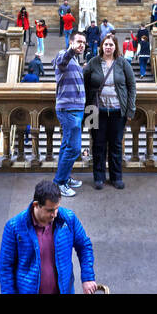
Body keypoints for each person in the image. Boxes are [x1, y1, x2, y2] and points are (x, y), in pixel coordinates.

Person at [0, 180, 97, 294]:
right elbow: (6, 268)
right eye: (50, 210)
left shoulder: (69, 219)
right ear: (36, 205)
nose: (54, 214)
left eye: (57, 208)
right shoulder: (14, 227)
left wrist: (88, 277)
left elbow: (84, 246)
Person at [85, 33, 137, 190]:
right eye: (105, 44)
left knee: (116, 145)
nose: (108, 47)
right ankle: (99, 177)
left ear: (116, 47)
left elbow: (131, 86)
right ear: (101, 46)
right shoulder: (93, 62)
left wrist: (130, 109)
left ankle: (116, 177)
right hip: (95, 111)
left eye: (111, 44)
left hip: (117, 111)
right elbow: (85, 84)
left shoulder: (123, 63)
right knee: (98, 145)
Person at [51, 32, 88, 197]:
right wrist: (72, 50)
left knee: (66, 146)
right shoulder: (63, 55)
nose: (82, 44)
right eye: (79, 41)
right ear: (71, 42)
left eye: (84, 43)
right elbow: (62, 60)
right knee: (74, 148)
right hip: (68, 109)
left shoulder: (76, 62)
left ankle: (64, 178)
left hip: (76, 109)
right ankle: (59, 183)